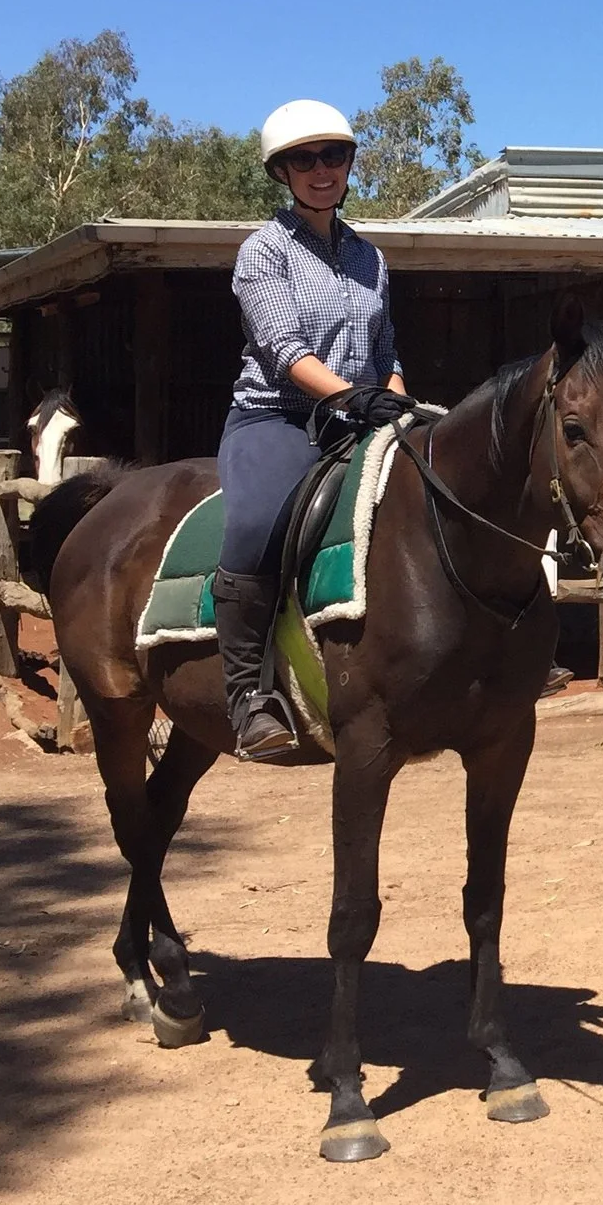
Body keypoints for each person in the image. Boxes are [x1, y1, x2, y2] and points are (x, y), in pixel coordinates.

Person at [214, 101, 412, 760]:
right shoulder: (262, 252)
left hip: (359, 412)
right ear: (282, 172)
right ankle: (247, 694)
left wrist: (397, 406)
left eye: (334, 155)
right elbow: (285, 352)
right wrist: (354, 397)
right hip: (278, 415)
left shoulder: (370, 257)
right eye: (305, 159)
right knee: (256, 522)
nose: (321, 170)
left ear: (350, 163)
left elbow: (386, 354)